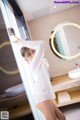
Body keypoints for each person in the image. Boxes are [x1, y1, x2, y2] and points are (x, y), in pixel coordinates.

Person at [18, 40, 66, 120]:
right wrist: (21, 42)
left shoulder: (41, 62)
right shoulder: (33, 64)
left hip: (46, 95)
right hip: (42, 97)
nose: (33, 55)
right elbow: (41, 44)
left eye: (33, 51)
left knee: (62, 117)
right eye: (29, 54)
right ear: (26, 59)